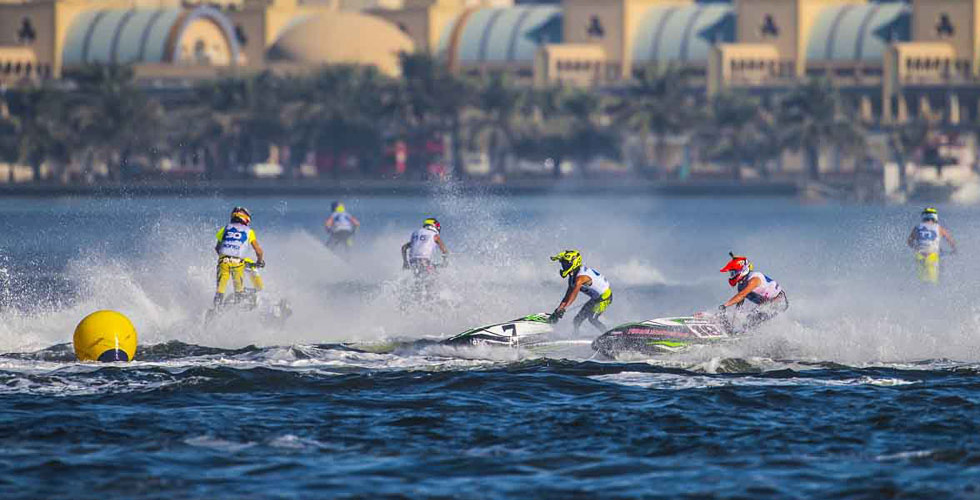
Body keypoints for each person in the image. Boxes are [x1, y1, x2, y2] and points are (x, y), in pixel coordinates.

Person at [718, 253, 787, 331]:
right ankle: (742, 333)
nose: (732, 276)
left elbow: (741, 295)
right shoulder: (741, 286)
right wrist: (732, 325)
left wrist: (725, 305)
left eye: (733, 273)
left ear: (742, 271)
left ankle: (747, 335)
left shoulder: (754, 279)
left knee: (751, 320)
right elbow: (738, 308)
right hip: (766, 304)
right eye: (731, 274)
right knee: (749, 319)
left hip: (779, 302)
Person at [549, 250, 612, 334]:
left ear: (574, 263)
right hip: (595, 299)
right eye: (563, 264)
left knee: (592, 319)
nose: (564, 266)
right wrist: (558, 310)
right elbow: (567, 296)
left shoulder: (580, 278)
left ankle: (608, 335)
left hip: (605, 298)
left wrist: (563, 309)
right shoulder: (572, 278)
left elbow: (574, 294)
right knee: (577, 320)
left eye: (567, 264)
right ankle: (575, 337)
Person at [214, 207, 265, 307]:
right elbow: (258, 251)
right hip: (238, 263)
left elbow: (217, 248)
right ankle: (244, 303)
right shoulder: (249, 231)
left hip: (223, 262)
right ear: (246, 218)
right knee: (239, 291)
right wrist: (260, 261)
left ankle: (216, 310)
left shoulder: (225, 228)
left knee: (220, 290)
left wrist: (225, 257)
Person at [907, 207, 956, 284]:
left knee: (921, 281)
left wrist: (917, 247)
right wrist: (954, 250)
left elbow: (909, 242)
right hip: (932, 256)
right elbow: (950, 241)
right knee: (933, 281)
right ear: (935, 216)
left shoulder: (917, 227)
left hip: (919, 255)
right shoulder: (939, 228)